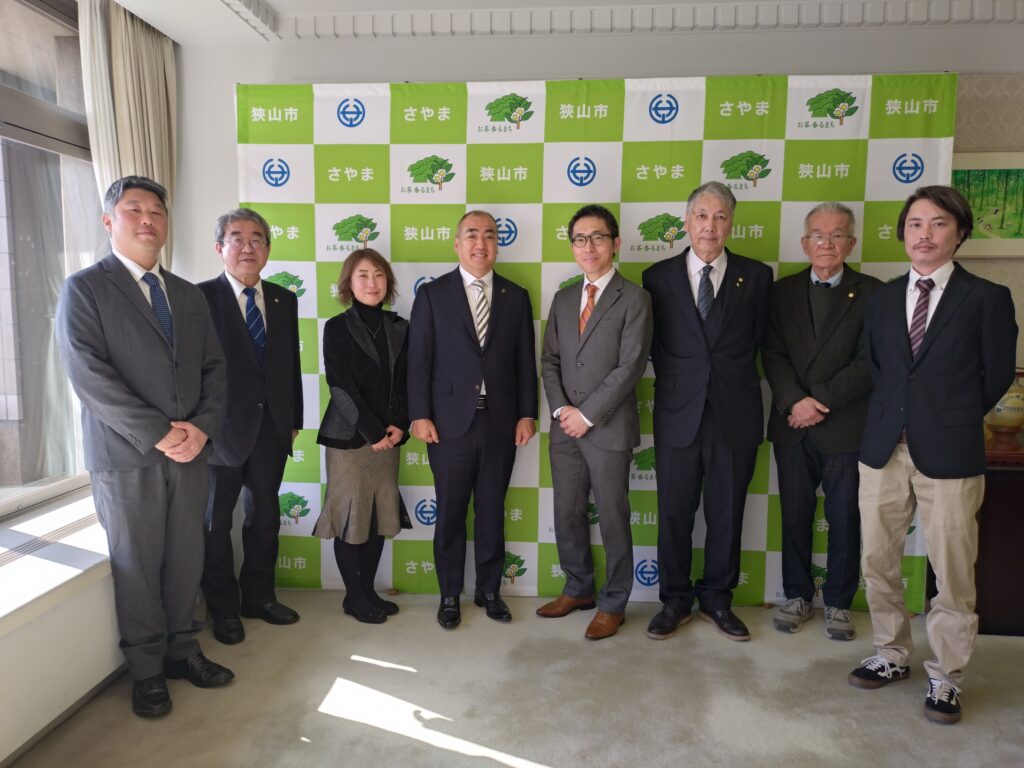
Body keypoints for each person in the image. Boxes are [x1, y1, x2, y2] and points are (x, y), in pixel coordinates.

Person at [55, 176, 231, 718]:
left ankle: (183, 649)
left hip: (190, 454)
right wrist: (158, 433)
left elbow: (214, 368)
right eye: (134, 209)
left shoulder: (187, 294)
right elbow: (89, 376)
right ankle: (147, 669)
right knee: (136, 562)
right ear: (109, 221)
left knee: (185, 556)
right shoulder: (85, 289)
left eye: (157, 210)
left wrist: (201, 429)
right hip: (125, 458)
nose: (148, 219)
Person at [849, 186, 1017, 725]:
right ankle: (891, 651)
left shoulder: (987, 298)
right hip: (882, 449)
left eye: (938, 223)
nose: (925, 234)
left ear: (960, 232)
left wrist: (944, 417)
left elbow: (995, 374)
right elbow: (878, 367)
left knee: (952, 568)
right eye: (915, 223)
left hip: (950, 450)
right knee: (878, 560)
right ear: (903, 232)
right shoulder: (881, 299)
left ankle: (947, 674)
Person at [641, 181, 772, 642]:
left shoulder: (757, 276)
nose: (710, 226)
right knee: (673, 512)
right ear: (687, 221)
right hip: (678, 413)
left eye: (720, 217)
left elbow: (762, 342)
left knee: (727, 512)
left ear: (731, 223)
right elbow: (653, 346)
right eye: (701, 215)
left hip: (735, 414)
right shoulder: (657, 277)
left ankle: (717, 598)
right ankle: (674, 599)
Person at [408, 210, 538, 630]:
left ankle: (489, 591)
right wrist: (420, 415)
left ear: (497, 243)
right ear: (457, 243)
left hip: (500, 422)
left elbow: (524, 362)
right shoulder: (433, 295)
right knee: (449, 512)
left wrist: (527, 413)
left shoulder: (516, 296)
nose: (481, 243)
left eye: (489, 235)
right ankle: (449, 594)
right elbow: (419, 361)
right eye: (471, 235)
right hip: (448, 425)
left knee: (491, 511)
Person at [762, 203, 881, 640]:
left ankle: (838, 602)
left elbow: (871, 361)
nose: (826, 243)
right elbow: (771, 352)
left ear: (852, 242)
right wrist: (796, 402)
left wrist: (819, 402)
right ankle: (796, 595)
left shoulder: (873, 293)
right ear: (804, 242)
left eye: (837, 235)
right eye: (818, 235)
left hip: (844, 426)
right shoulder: (781, 291)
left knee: (845, 517)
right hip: (792, 424)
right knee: (795, 514)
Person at [538, 205, 652, 640]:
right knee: (566, 511)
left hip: (608, 427)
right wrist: (562, 410)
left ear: (615, 243)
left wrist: (586, 415)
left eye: (598, 237)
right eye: (580, 239)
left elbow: (630, 366)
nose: (589, 246)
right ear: (573, 246)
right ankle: (578, 588)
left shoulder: (635, 298)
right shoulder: (564, 298)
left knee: (612, 516)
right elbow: (550, 359)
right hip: (564, 426)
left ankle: (613, 602)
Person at [197, 208, 303, 645]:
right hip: (218, 432)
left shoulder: (283, 299)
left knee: (264, 518)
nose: (247, 247)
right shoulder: (199, 298)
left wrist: (294, 418)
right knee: (214, 524)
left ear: (268, 249)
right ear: (219, 248)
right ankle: (224, 609)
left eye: (257, 239)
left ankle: (258, 598)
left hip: (271, 428)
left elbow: (290, 363)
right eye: (237, 238)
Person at [314, 249, 409, 624]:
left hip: (390, 440)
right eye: (363, 275)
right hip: (351, 441)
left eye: (379, 275)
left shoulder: (400, 326)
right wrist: (373, 431)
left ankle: (367, 592)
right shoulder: (337, 327)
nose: (372, 283)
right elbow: (341, 385)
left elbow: (408, 382)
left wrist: (400, 424)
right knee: (351, 519)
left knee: (378, 518)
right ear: (348, 284)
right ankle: (354, 597)